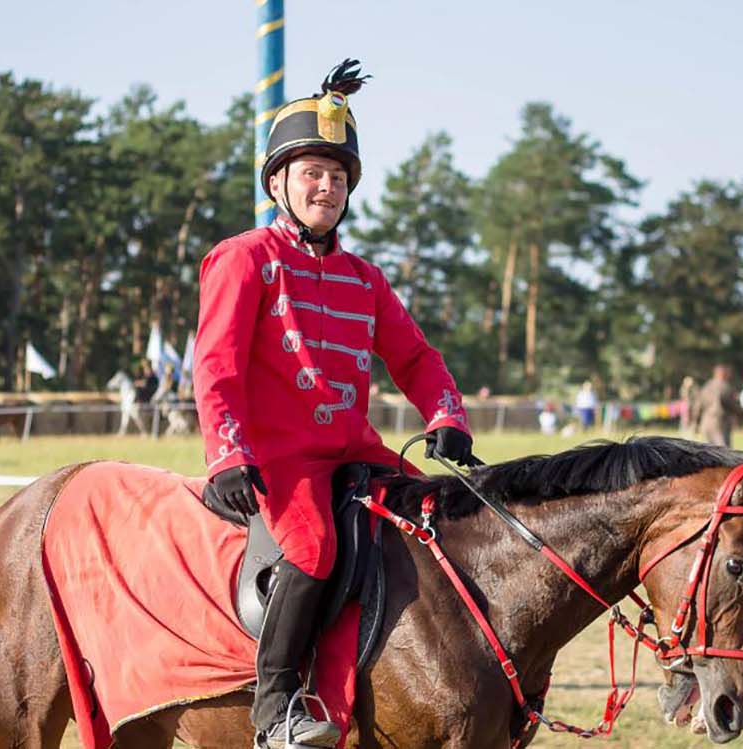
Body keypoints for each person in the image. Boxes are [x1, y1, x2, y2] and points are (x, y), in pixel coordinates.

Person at [192, 59, 472, 749]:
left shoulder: (364, 278)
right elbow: (216, 364)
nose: (326, 186)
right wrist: (226, 452)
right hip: (277, 460)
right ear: (279, 182)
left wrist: (446, 415)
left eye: (338, 176)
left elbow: (415, 357)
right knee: (314, 546)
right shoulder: (243, 258)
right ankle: (275, 709)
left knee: (434, 518)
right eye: (312, 173)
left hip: (354, 452)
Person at [693, 364, 743, 447]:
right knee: (724, 452)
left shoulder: (706, 386)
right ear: (723, 374)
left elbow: (698, 406)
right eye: (727, 373)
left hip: (706, 423)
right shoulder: (725, 387)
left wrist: (696, 423)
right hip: (720, 424)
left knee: (710, 452)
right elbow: (732, 405)